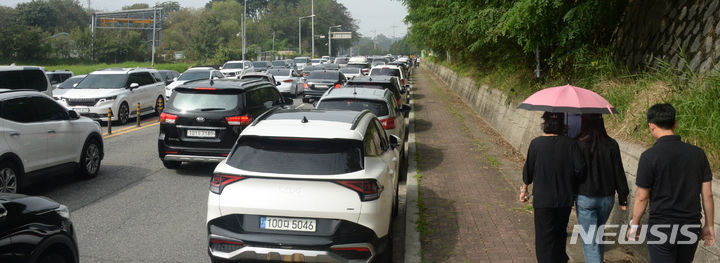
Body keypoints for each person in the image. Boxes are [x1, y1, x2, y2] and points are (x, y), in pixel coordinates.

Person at [627, 103, 715, 263]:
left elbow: (641, 197)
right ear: (675, 124)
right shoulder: (698, 154)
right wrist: (709, 225)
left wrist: (634, 224)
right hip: (690, 226)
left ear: (651, 126)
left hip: (662, 227)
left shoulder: (649, 156)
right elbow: (707, 194)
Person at [520, 112, 585, 263]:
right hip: (564, 198)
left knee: (544, 238)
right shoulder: (571, 144)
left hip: (543, 199)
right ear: (563, 125)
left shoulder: (536, 143)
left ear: (545, 123)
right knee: (560, 233)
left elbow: (528, 170)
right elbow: (580, 170)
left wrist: (524, 189)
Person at [574, 113, 629, 263]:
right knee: (598, 234)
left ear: (584, 122)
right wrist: (623, 197)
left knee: (590, 240)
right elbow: (618, 171)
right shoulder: (611, 144)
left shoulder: (578, 144)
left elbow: (576, 172)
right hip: (607, 198)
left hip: (585, 197)